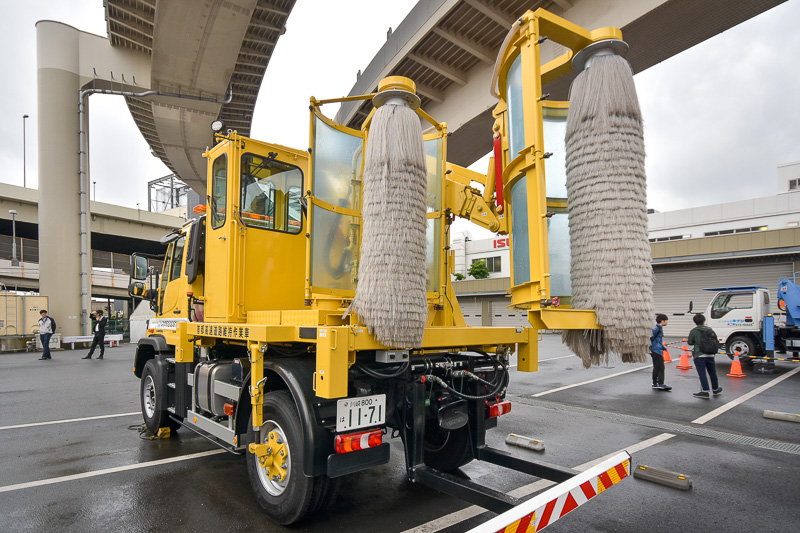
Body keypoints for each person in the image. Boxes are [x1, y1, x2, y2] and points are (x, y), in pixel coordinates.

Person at [687, 314, 722, 399]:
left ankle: (705, 391)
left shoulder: (694, 331)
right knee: (712, 373)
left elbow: (690, 342)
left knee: (702, 373)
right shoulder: (710, 329)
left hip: (699, 355)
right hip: (710, 354)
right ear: (704, 321)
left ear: (695, 322)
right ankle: (715, 389)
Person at [649, 313, 671, 390]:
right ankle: (660, 383)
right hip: (656, 350)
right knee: (661, 367)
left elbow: (657, 340)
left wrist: (663, 347)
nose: (667, 322)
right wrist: (649, 348)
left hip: (657, 349)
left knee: (656, 367)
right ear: (662, 321)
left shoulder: (658, 328)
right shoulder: (657, 328)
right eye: (666, 321)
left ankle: (655, 383)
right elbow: (650, 337)